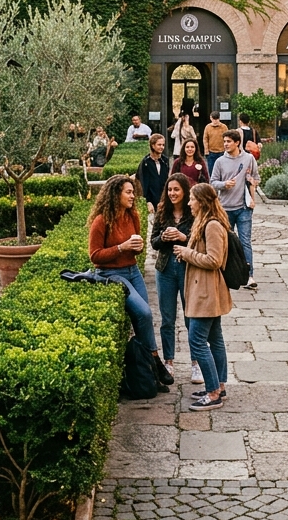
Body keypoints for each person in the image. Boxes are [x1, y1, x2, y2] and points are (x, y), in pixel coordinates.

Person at [89, 175, 173, 386]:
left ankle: (147, 373)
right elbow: (95, 256)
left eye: (133, 192)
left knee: (144, 317)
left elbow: (136, 248)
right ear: (115, 194)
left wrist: (137, 247)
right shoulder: (101, 221)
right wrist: (121, 248)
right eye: (128, 192)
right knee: (143, 312)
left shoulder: (133, 215)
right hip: (111, 274)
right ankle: (155, 361)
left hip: (132, 270)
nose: (132, 196)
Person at [175, 182, 234, 411]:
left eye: (192, 199)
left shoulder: (211, 226)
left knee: (197, 341)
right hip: (206, 289)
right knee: (215, 339)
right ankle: (219, 385)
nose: (189, 203)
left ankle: (212, 393)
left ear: (202, 201)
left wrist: (186, 253)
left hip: (207, 291)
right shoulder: (205, 223)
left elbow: (214, 260)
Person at [150, 173, 195, 382]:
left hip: (188, 268)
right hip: (165, 269)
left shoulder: (193, 212)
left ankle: (196, 363)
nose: (172, 193)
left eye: (176, 190)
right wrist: (164, 237)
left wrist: (183, 237)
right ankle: (169, 361)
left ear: (184, 191)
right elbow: (154, 242)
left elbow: (198, 241)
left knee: (191, 318)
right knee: (167, 319)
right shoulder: (162, 211)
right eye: (170, 190)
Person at [209, 129, 260, 291]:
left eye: (228, 141)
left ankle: (248, 276)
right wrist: (224, 184)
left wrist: (252, 181)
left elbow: (257, 178)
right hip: (225, 208)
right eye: (224, 142)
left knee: (245, 242)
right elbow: (213, 182)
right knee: (226, 243)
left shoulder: (249, 158)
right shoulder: (219, 162)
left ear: (237, 143)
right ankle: (227, 274)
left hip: (244, 207)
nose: (225, 144)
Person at [136, 133, 172, 208]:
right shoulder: (145, 162)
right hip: (151, 201)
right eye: (159, 145)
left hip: (165, 199)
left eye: (163, 145)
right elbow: (144, 183)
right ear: (153, 145)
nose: (162, 147)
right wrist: (148, 201)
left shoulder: (165, 161)